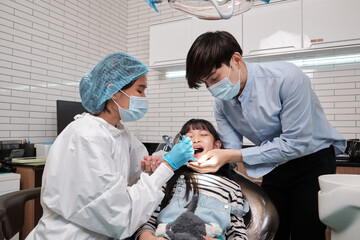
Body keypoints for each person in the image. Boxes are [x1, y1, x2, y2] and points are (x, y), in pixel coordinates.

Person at [185, 31, 346, 240]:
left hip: (312, 158)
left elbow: (294, 144)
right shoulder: (222, 105)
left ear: (236, 60)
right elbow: (230, 151)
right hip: (273, 162)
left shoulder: (286, 78)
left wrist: (228, 156)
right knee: (271, 228)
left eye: (214, 78)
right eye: (206, 83)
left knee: (306, 231)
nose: (212, 89)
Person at [26, 52, 195, 240]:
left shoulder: (118, 132)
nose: (144, 97)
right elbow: (118, 216)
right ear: (114, 92)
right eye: (140, 90)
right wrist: (168, 165)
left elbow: (136, 168)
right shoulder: (87, 136)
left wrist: (154, 164)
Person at [136, 119, 249, 240]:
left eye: (204, 134)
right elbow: (146, 223)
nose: (196, 139)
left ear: (217, 145)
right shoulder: (170, 178)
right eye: (189, 137)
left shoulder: (232, 188)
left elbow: (239, 234)